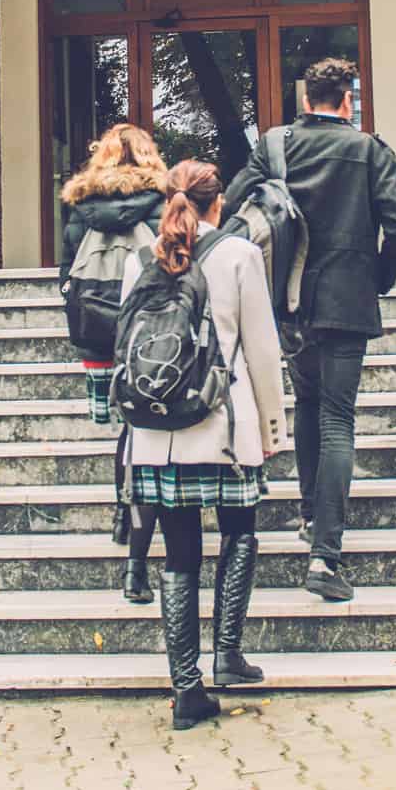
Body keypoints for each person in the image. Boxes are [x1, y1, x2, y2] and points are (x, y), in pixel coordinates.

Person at [227, 57, 396, 603]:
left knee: (308, 405)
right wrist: (378, 278)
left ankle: (311, 516)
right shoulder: (369, 150)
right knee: (337, 417)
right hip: (348, 301)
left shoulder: (275, 146)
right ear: (348, 100)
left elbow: (236, 206)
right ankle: (324, 556)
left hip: (286, 303)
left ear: (306, 97)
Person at [120, 161, 288, 730]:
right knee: (240, 530)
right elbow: (262, 351)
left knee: (179, 553)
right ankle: (228, 654)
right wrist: (272, 430)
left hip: (157, 433)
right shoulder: (240, 256)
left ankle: (187, 689)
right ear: (219, 204)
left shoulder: (139, 259)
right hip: (223, 426)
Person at [58, 123, 169, 604]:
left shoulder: (81, 204)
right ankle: (133, 513)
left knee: (124, 425)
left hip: (96, 327)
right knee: (141, 430)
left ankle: (123, 509)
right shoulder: (163, 201)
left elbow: (66, 271)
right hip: (146, 329)